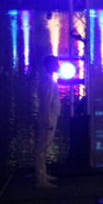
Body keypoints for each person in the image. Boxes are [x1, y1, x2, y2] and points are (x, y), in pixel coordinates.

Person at [36, 54, 61, 188]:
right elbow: (46, 102)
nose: (58, 65)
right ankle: (41, 180)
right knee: (43, 149)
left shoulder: (47, 79)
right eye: (56, 63)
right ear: (50, 65)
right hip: (49, 116)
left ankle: (43, 174)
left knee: (45, 147)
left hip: (49, 115)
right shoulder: (48, 82)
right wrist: (48, 120)